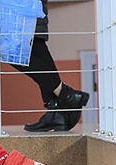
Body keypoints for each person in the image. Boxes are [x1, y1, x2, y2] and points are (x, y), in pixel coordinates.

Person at [12, 0, 90, 132]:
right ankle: (59, 106)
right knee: (28, 56)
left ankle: (65, 98)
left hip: (27, 10)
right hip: (23, 11)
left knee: (24, 54)